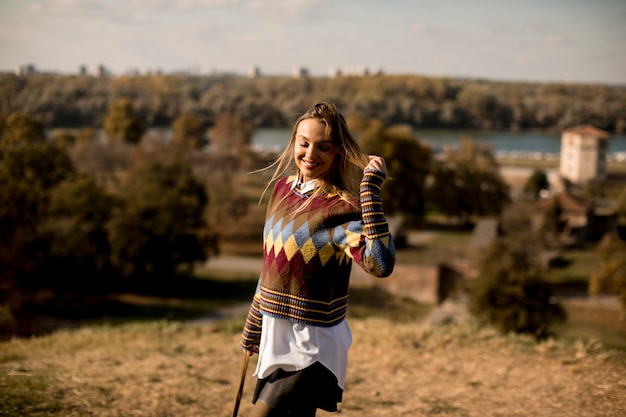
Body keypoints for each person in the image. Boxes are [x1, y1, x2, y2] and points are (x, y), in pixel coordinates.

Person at [239, 101, 395, 417]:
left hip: (312, 345)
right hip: (276, 337)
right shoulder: (281, 190)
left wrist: (369, 191)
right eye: (304, 143)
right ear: (294, 142)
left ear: (338, 152)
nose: (311, 154)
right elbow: (271, 267)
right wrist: (255, 323)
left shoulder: (342, 209)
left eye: (323, 147)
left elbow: (380, 263)